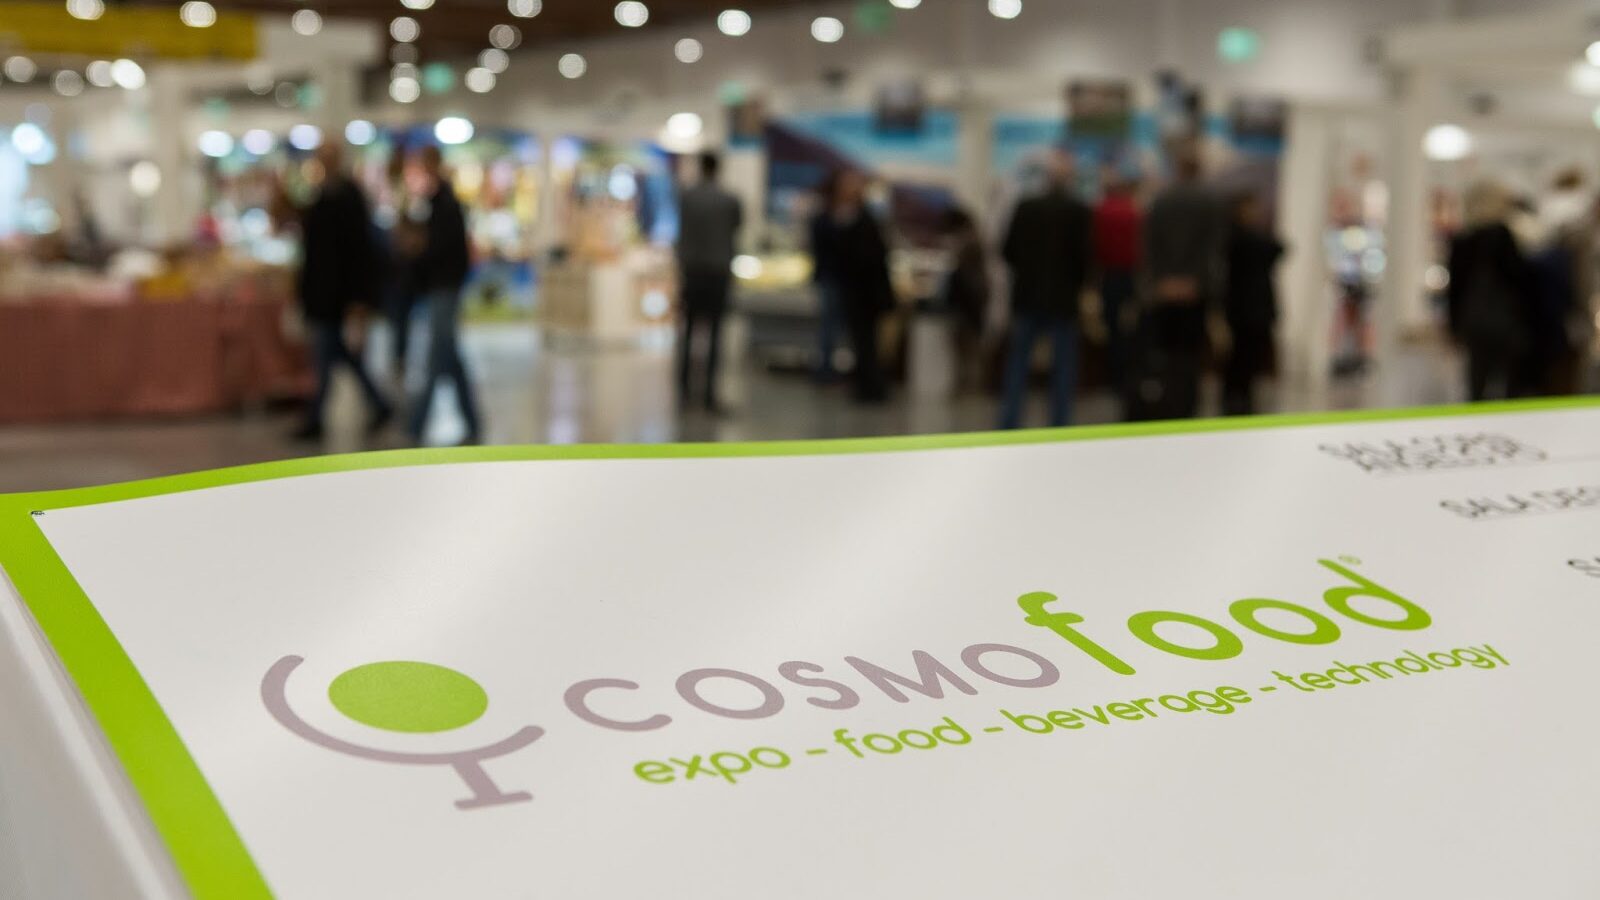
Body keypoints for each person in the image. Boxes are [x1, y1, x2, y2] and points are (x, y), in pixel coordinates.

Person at [293, 141, 391, 441]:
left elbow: (359, 253)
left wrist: (359, 300)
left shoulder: (348, 197)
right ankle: (378, 404)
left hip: (339, 297)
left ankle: (316, 418)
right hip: (323, 295)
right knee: (341, 357)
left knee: (327, 359)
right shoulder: (322, 196)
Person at [998, 150, 1093, 429]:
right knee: (1063, 365)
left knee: (1019, 362)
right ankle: (1059, 423)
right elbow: (1084, 258)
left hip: (1027, 295)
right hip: (1063, 299)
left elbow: (1007, 250)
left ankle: (1010, 421)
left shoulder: (1026, 207)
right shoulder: (1078, 211)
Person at [1134, 143, 1225, 420]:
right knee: (1190, 356)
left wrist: (1160, 282)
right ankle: (1186, 409)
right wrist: (1197, 282)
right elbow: (1215, 248)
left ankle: (1163, 406)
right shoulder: (1211, 203)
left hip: (1164, 290)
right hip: (1195, 291)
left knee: (1163, 353)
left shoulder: (1161, 201)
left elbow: (1150, 246)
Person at [407, 145, 482, 445]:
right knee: (448, 354)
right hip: (441, 285)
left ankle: (416, 422)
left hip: (444, 286)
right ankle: (471, 420)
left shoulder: (445, 203)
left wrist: (421, 252)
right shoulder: (434, 202)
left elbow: (447, 249)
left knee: (438, 354)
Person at [1446, 179, 1534, 401]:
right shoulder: (1503, 236)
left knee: (1477, 382)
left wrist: (1453, 327)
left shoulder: (1463, 240)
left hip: (1474, 322)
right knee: (1509, 383)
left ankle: (1477, 418)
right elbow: (1519, 281)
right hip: (1505, 321)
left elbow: (1455, 289)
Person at [674, 152, 744, 413]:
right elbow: (736, 228)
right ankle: (709, 395)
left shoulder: (687, 197)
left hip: (692, 272)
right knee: (715, 335)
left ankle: (683, 392)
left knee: (688, 332)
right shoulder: (729, 200)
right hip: (717, 272)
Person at [828, 170, 894, 404]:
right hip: (863, 293)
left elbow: (863, 259)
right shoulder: (861, 218)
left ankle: (870, 387)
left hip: (863, 294)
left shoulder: (860, 220)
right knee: (864, 342)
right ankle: (867, 385)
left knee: (866, 342)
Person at [1221, 194, 1284, 415]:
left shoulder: (1243, 236)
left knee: (1250, 353)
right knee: (1241, 353)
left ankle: (1241, 396)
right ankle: (1236, 396)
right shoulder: (1240, 237)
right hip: (1244, 305)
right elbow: (1276, 248)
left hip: (1252, 304)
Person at [1093, 172, 1141, 397]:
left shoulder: (1100, 212)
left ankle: (1113, 377)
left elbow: (1096, 247)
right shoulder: (1134, 213)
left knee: (1112, 328)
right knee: (1130, 328)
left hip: (1109, 276)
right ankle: (1130, 374)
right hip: (1131, 276)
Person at [940, 207, 990, 392]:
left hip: (968, 303)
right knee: (969, 347)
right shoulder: (973, 241)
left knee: (967, 347)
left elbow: (966, 278)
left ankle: (968, 385)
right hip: (972, 302)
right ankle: (969, 384)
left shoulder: (969, 244)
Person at [808, 171, 846, 383]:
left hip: (830, 275)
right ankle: (825, 369)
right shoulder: (828, 218)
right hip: (832, 276)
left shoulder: (825, 217)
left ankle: (825, 367)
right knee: (829, 327)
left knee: (829, 326)